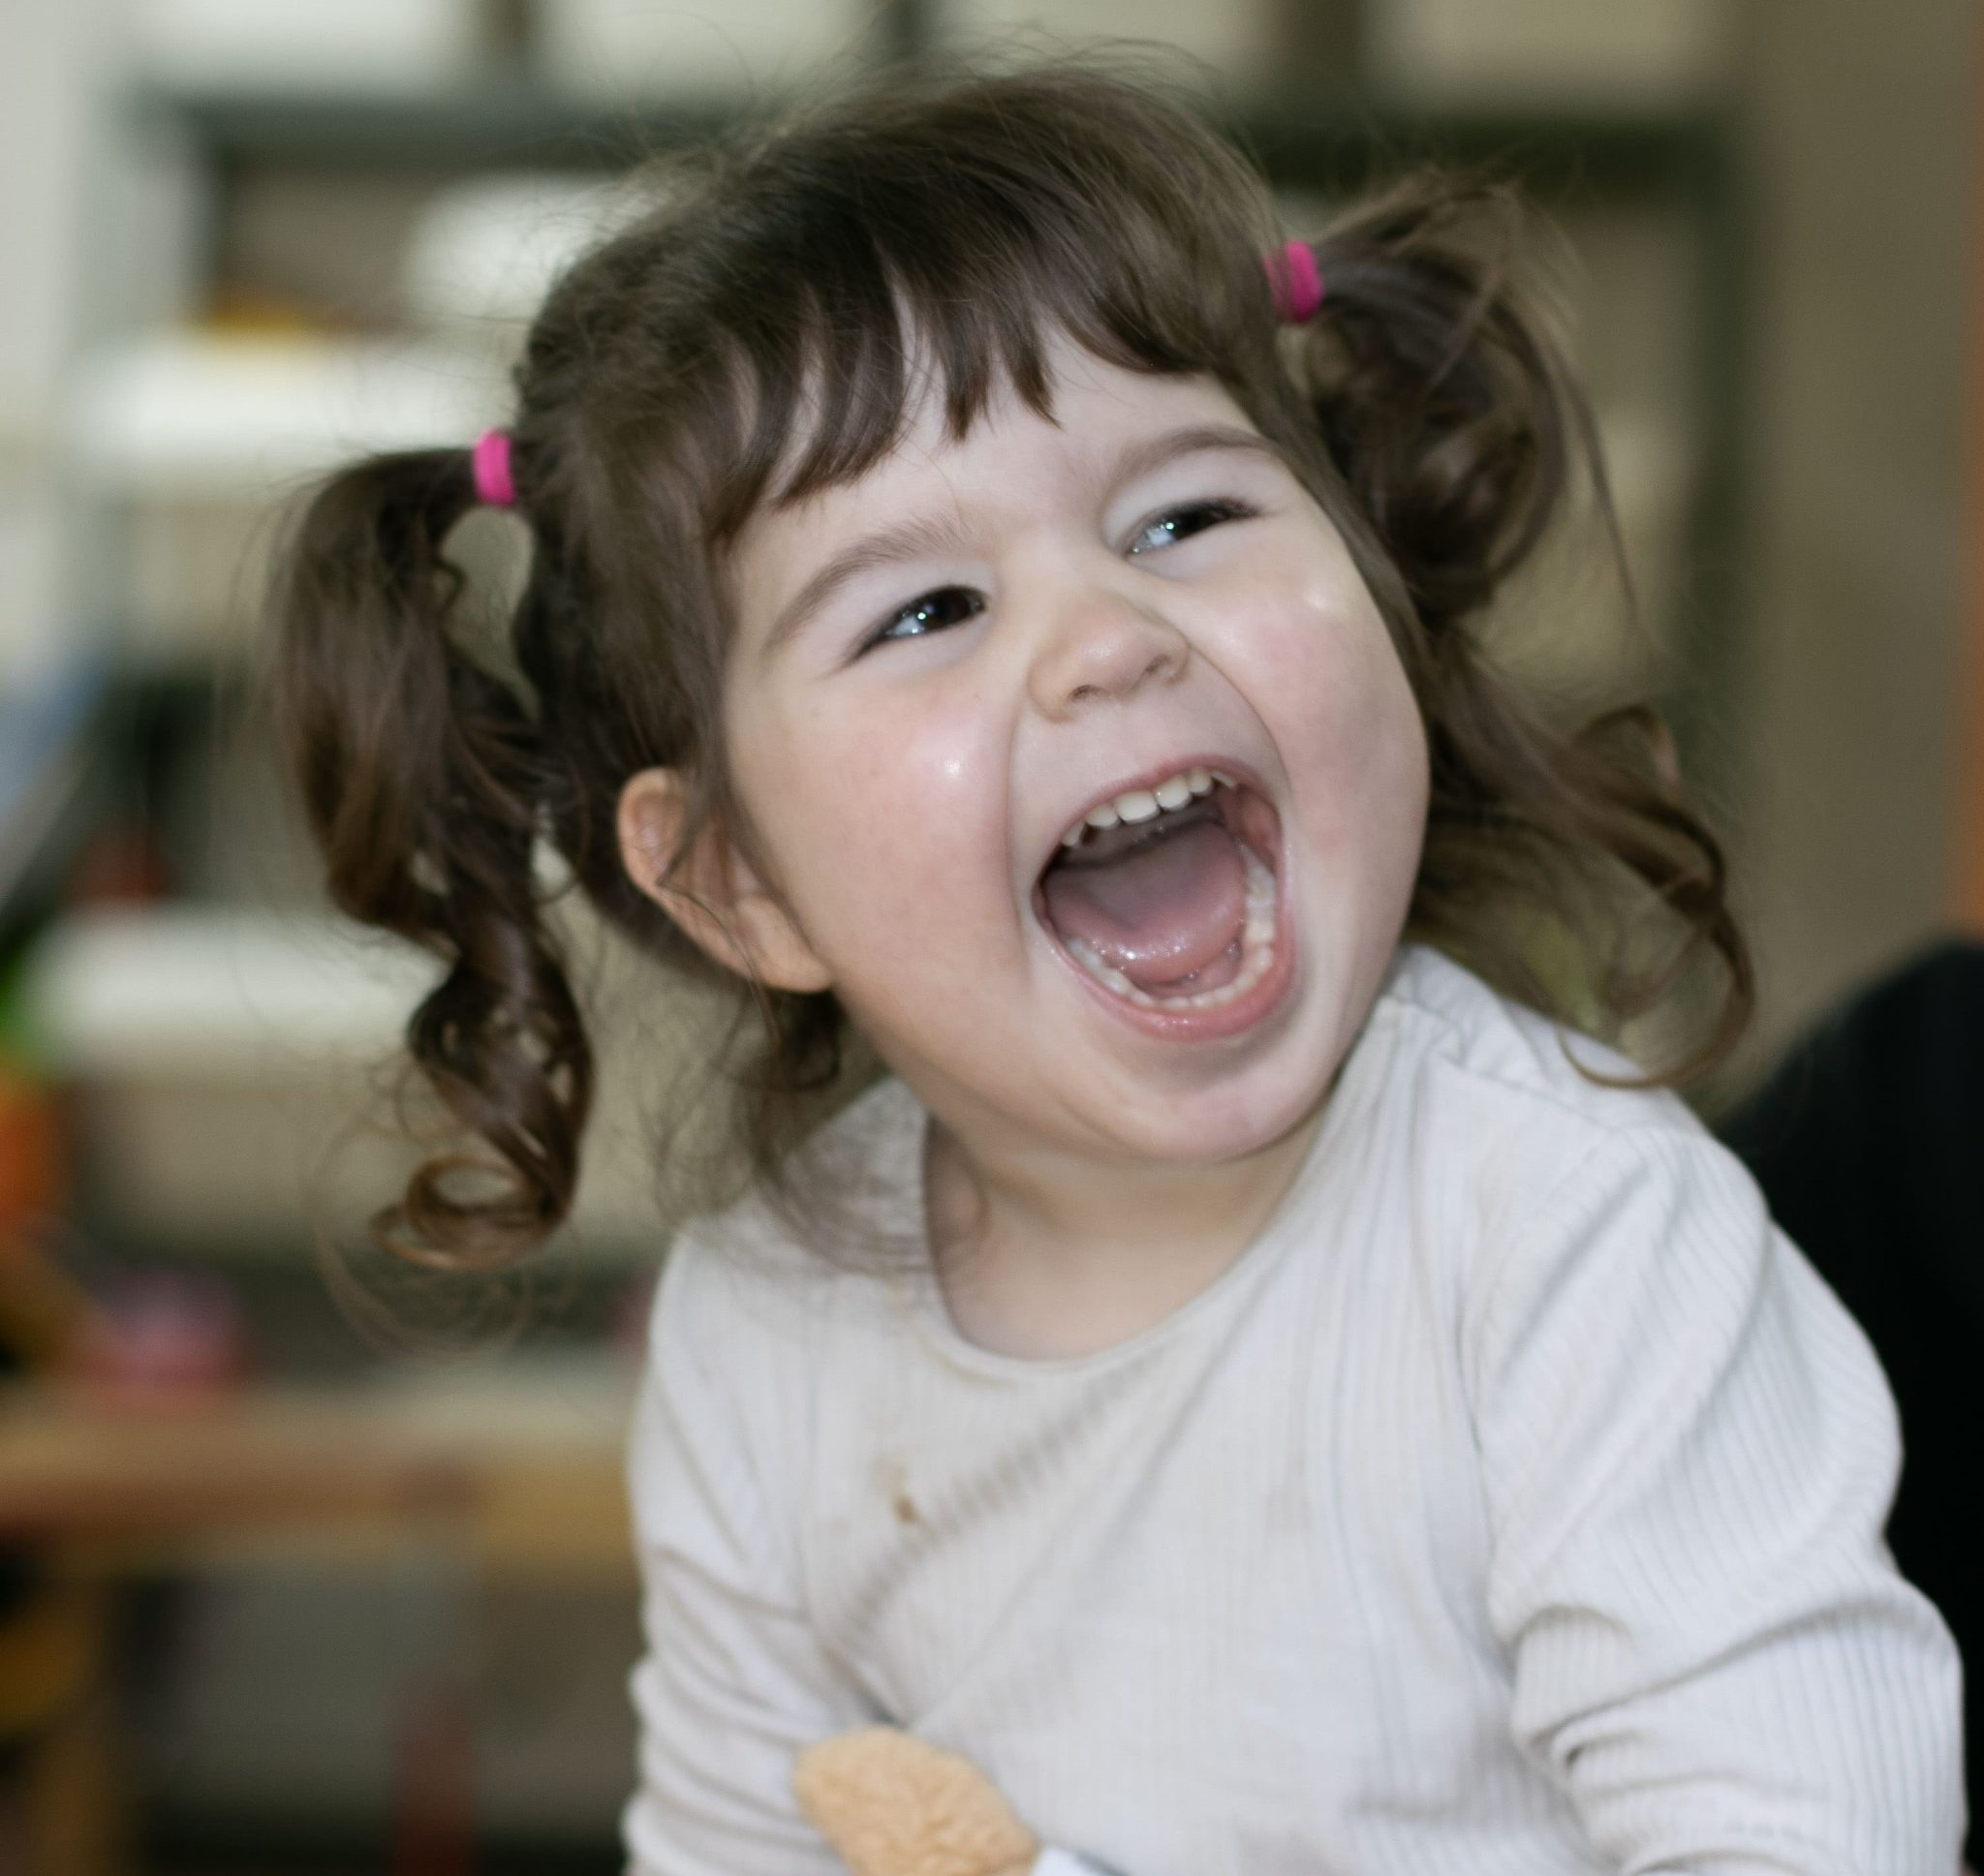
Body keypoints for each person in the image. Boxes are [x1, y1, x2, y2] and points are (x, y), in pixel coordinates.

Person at [267, 58, 1966, 1875]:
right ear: (736, 880)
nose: (1102, 638)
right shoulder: (766, 1339)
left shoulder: (1574, 1247)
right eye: (924, 610)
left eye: (1183, 519)